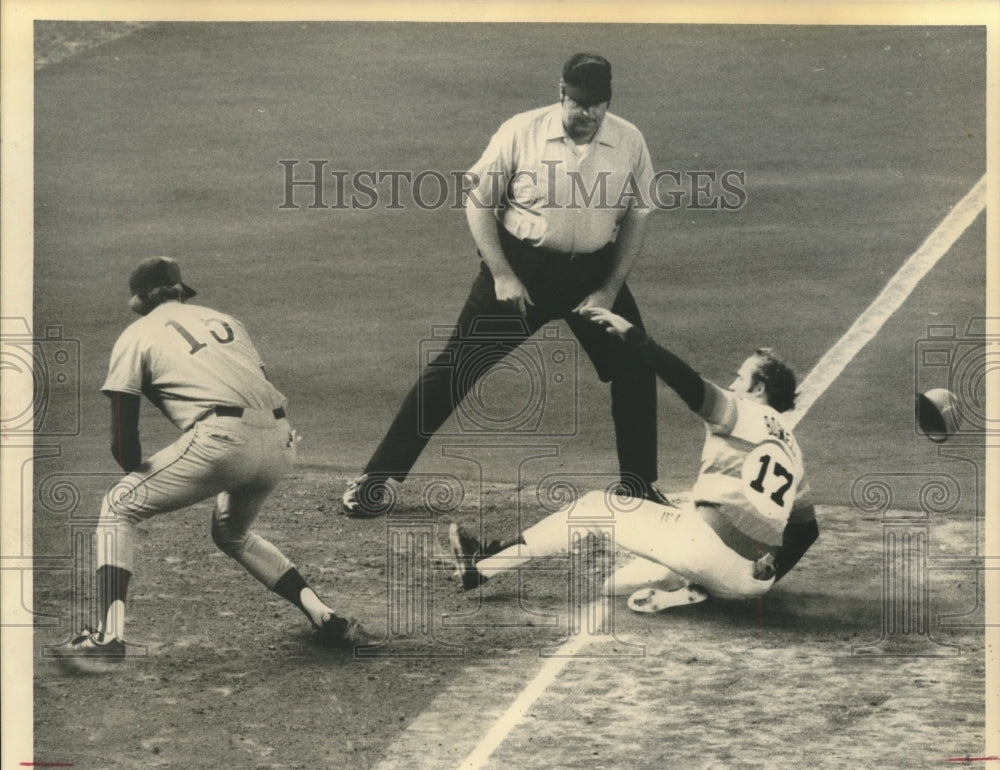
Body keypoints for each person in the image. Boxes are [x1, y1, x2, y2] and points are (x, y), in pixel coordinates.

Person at [342, 53, 664, 517]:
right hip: (524, 271)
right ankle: (377, 480)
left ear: (608, 101)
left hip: (593, 274)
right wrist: (502, 273)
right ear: (561, 94)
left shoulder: (629, 139)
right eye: (579, 103)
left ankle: (639, 488)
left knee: (635, 366)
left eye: (597, 105)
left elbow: (637, 214)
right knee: (455, 370)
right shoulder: (521, 131)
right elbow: (479, 200)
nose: (588, 114)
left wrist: (611, 286)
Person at [53, 257, 369, 672]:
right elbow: (258, 384)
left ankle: (108, 638)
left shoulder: (136, 334)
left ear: (139, 301)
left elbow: (122, 436)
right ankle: (325, 615)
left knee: (119, 504)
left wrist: (136, 474)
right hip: (281, 441)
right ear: (181, 291)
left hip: (222, 443)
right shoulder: (226, 321)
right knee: (232, 533)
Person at [449, 306, 820, 612]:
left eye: (740, 378)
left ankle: (482, 566)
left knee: (596, 506)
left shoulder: (740, 410)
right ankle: (697, 589)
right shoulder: (795, 452)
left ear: (758, 388)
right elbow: (806, 532)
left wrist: (634, 336)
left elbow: (688, 383)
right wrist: (763, 581)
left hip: (705, 551)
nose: (734, 384)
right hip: (751, 580)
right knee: (623, 580)